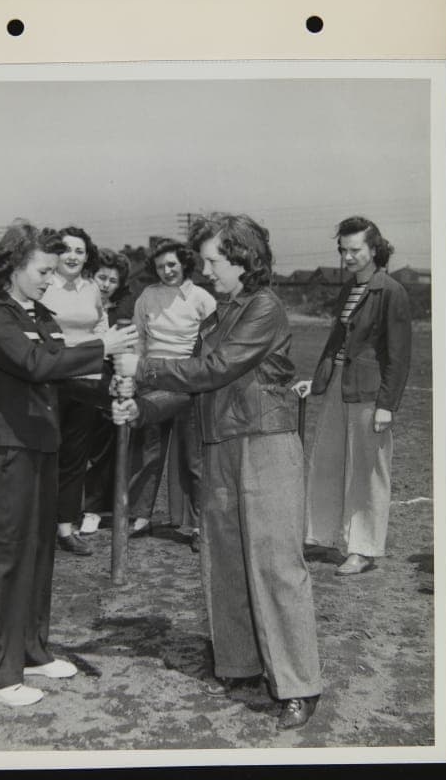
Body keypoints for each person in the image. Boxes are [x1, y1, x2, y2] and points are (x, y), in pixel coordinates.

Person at [113, 213, 321, 730]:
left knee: (275, 566)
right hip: (219, 446)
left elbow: (214, 369)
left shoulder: (264, 307)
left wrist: (143, 367)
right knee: (224, 561)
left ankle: (298, 684)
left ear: (243, 258)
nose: (205, 271)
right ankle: (240, 665)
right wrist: (143, 409)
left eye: (212, 261)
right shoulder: (216, 316)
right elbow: (193, 389)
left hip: (264, 444)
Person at [0, 221, 137, 706]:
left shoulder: (41, 313)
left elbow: (63, 380)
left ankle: (30, 650)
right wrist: (103, 347)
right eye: (43, 270)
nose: (50, 278)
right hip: (8, 448)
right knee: (2, 555)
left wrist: (112, 394)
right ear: (13, 266)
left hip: (44, 443)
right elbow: (34, 365)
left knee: (39, 553)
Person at [292, 216, 411, 576]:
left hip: (370, 391)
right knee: (326, 461)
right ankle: (321, 536)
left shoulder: (391, 291)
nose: (348, 257)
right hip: (339, 386)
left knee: (367, 471)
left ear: (374, 249)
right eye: (343, 250)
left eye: (355, 250)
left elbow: (398, 356)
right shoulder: (348, 289)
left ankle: (363, 549)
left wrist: (386, 405)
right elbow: (336, 343)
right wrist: (317, 382)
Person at [128, 239, 216, 550]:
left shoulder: (202, 298)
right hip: (151, 380)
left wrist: (199, 377)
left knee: (194, 458)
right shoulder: (147, 296)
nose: (166, 271)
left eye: (172, 265)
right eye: (160, 266)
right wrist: (135, 374)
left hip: (187, 382)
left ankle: (200, 525)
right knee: (147, 453)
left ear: (184, 265)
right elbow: (138, 338)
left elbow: (213, 344)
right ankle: (140, 516)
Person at [40, 226, 107, 556]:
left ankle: (65, 529)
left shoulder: (92, 288)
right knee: (44, 453)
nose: (72, 256)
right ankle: (37, 526)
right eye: (66, 250)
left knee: (75, 458)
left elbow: (101, 324)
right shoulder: (43, 284)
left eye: (79, 251)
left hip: (87, 382)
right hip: (50, 381)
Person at [81, 248, 136, 535]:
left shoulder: (123, 312)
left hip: (107, 382)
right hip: (75, 379)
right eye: (101, 277)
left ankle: (93, 509)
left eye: (112, 281)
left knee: (103, 450)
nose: (105, 285)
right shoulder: (78, 304)